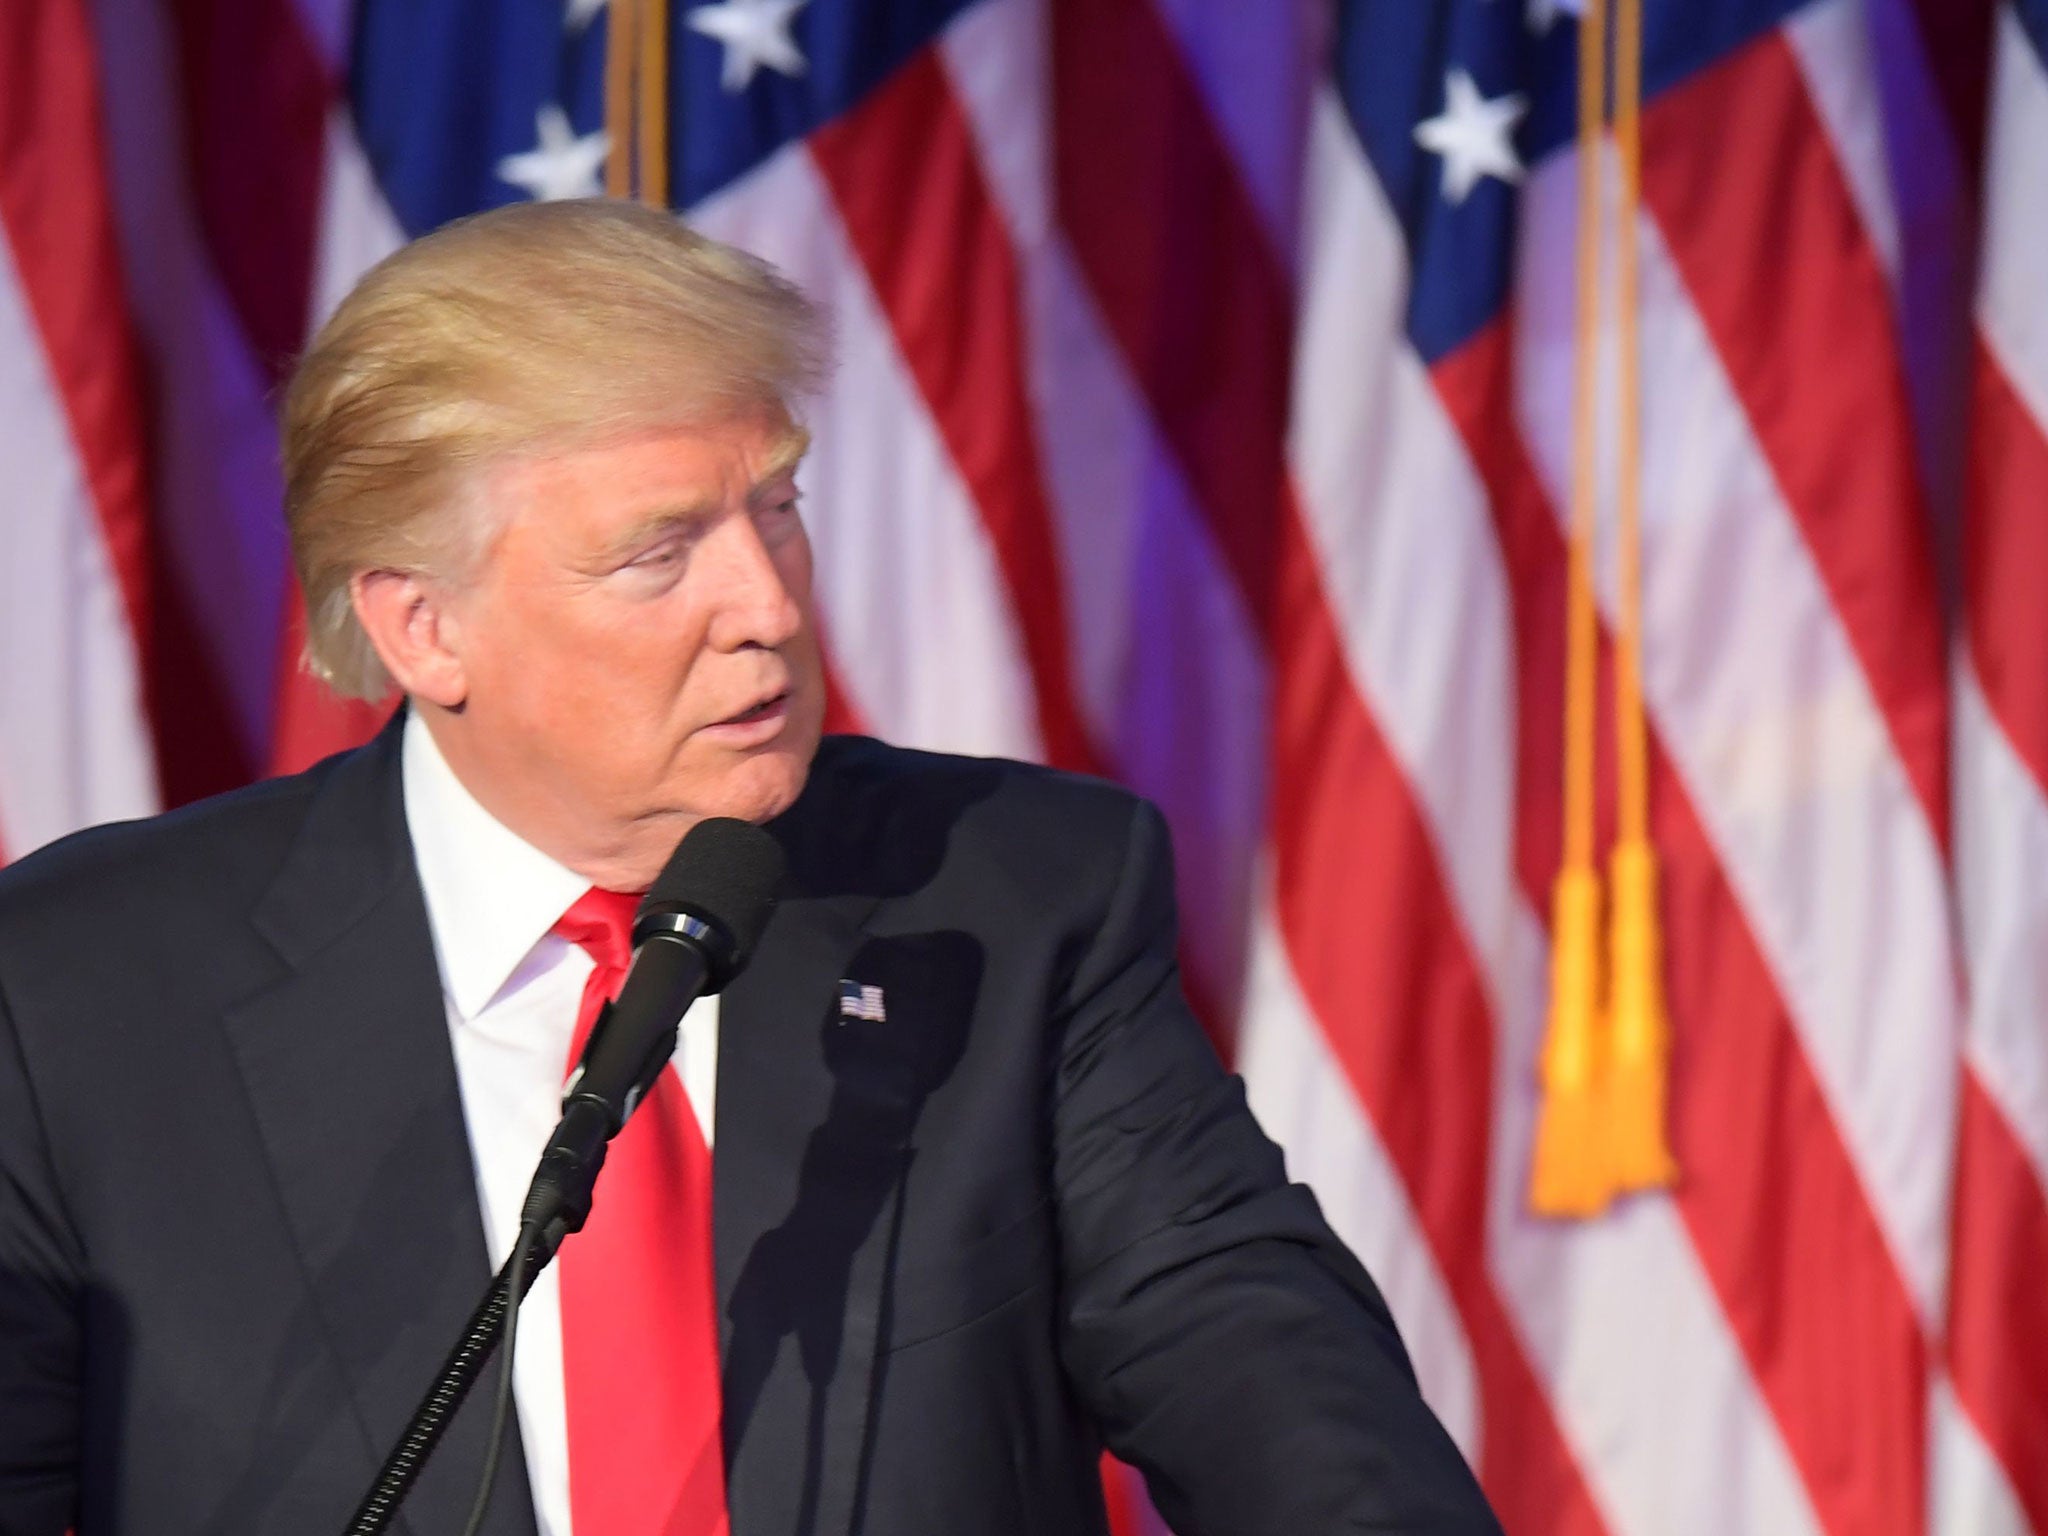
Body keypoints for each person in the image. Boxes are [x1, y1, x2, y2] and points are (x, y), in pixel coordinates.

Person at [0, 200, 1498, 1536]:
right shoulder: (83, 989)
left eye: (775, 507)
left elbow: (1263, 1374)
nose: (768, 604)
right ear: (422, 628)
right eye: (661, 551)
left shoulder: (1011, 901)